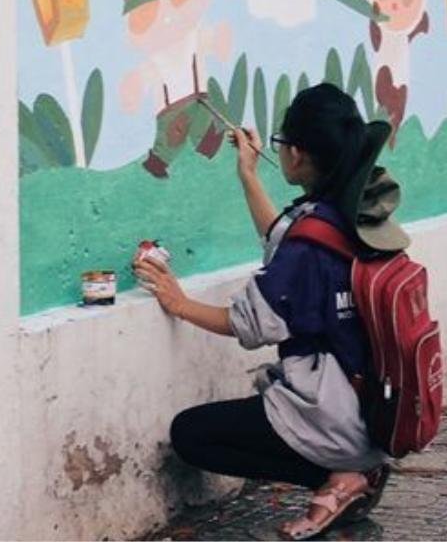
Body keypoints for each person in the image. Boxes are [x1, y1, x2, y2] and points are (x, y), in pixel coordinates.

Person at [133, 83, 411, 540]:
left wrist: (179, 304)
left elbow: (248, 324)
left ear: (296, 155)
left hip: (331, 415)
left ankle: (342, 475)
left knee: (191, 435)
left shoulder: (309, 238)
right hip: (373, 411)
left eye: (281, 144)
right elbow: (291, 242)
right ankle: (357, 468)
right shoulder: (352, 216)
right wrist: (248, 172)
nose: (277, 152)